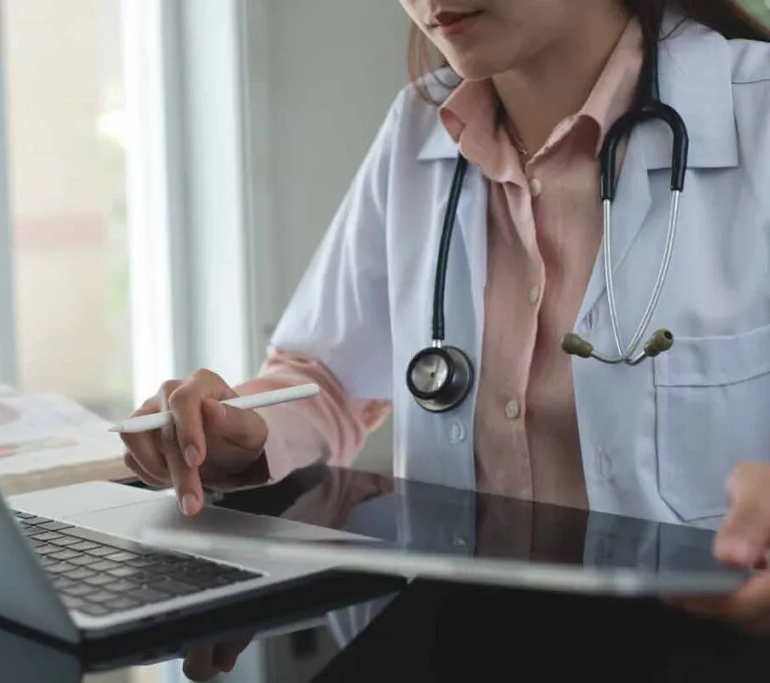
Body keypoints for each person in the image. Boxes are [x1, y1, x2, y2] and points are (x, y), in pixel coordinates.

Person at [121, 0, 770, 645]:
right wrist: (238, 430)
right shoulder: (418, 127)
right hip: (454, 638)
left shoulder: (758, 112)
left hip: (696, 647)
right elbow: (326, 378)